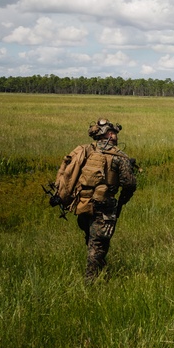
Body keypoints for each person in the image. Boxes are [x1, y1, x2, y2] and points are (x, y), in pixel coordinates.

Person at [55, 118, 137, 282]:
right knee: (98, 244)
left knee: (92, 239)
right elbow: (129, 184)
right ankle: (91, 281)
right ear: (110, 134)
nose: (116, 136)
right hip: (103, 205)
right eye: (114, 133)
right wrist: (121, 201)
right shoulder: (119, 156)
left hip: (83, 203)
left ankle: (102, 272)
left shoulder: (85, 151)